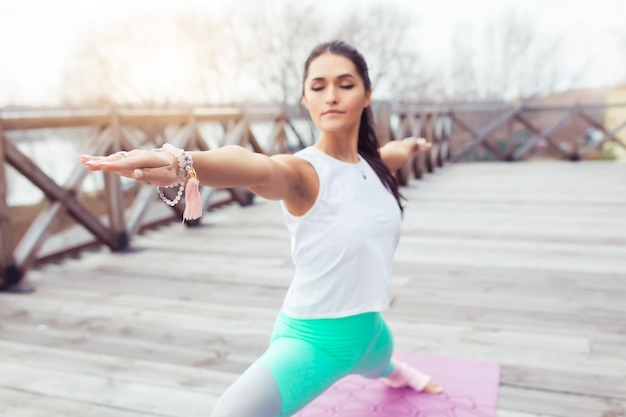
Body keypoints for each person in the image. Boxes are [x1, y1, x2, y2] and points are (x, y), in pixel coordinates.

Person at [80, 40, 441, 417]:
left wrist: (414, 144)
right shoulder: (303, 171)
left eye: (345, 84)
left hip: (373, 333)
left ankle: (396, 372)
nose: (331, 96)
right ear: (304, 99)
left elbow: (396, 152)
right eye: (318, 86)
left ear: (367, 95)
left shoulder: (376, 164)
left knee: (383, 364)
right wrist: (181, 161)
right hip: (318, 341)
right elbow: (257, 166)